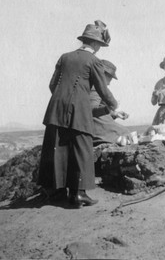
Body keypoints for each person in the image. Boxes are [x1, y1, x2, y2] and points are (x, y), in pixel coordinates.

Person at [38, 20, 118, 208]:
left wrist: (63, 100)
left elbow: (52, 85)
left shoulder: (65, 57)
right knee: (81, 148)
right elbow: (102, 89)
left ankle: (57, 192)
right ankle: (78, 194)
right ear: (97, 44)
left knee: (58, 147)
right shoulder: (94, 61)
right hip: (79, 111)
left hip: (55, 109)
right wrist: (113, 105)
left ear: (84, 40)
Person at [90, 59, 130, 146]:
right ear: (103, 75)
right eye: (110, 79)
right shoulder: (95, 88)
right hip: (95, 126)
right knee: (126, 133)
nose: (109, 83)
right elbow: (91, 111)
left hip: (98, 121)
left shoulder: (94, 86)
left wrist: (115, 114)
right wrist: (108, 109)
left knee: (125, 132)